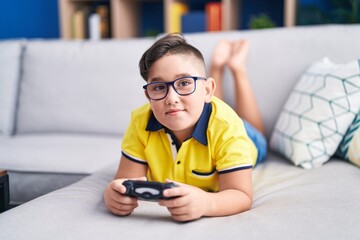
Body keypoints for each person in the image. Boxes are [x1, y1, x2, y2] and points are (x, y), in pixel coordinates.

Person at [104, 33, 267, 222]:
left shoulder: (229, 128)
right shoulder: (140, 121)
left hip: (246, 137)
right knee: (199, 106)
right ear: (148, 97)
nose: (171, 98)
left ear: (207, 90)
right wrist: (114, 193)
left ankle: (237, 68)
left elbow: (241, 195)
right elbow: (124, 182)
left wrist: (206, 202)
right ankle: (217, 68)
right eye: (158, 87)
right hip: (207, 112)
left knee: (254, 130)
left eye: (184, 83)